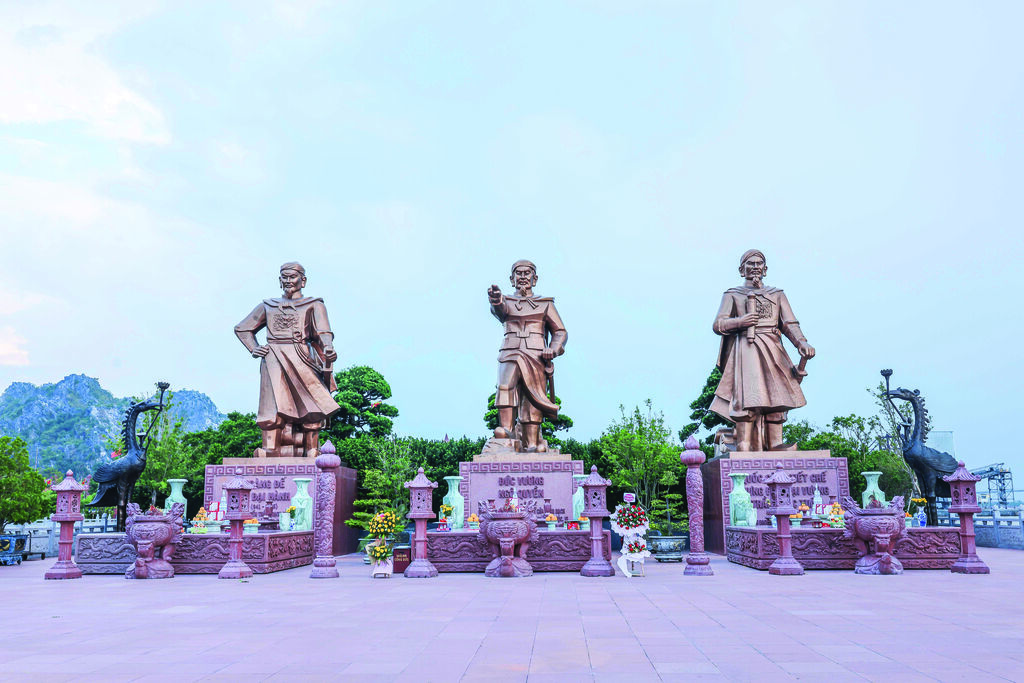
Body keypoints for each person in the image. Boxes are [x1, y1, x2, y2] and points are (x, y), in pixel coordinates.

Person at [711, 249, 815, 451]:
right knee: (747, 398)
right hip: (747, 349)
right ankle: (744, 444)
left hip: (774, 348)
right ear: (742, 270)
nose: (755, 267)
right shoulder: (732, 294)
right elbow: (718, 324)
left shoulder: (777, 294)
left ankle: (775, 443)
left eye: (759, 264)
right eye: (750, 264)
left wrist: (801, 343)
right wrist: (740, 321)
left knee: (778, 396)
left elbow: (789, 324)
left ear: (765, 269)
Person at [235, 262, 339, 457]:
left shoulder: (314, 304)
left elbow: (323, 332)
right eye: (285, 277)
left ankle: (311, 448)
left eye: (292, 277)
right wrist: (254, 348)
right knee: (271, 404)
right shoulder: (268, 306)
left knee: (311, 401)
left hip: (302, 356)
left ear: (303, 280)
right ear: (279, 280)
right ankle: (270, 448)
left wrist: (328, 347)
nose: (288, 280)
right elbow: (243, 328)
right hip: (273, 358)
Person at [487, 260, 567, 452]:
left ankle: (532, 442)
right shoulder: (506, 302)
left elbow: (560, 332)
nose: (523, 277)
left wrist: (553, 349)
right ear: (512, 279)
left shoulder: (545, 304)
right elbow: (500, 311)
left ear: (535, 278)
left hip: (536, 354)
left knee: (533, 396)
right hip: (510, 350)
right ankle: (506, 430)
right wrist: (496, 301)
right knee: (505, 386)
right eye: (519, 273)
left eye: (527, 273)